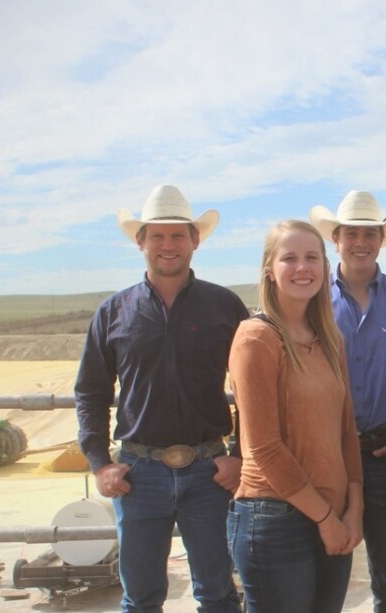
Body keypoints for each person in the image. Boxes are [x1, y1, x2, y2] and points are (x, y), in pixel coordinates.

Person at [74, 185, 247, 612]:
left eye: (178, 236)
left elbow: (254, 392)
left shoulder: (226, 307)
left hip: (210, 473)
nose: (168, 246)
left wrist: (241, 454)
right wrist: (100, 464)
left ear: (195, 241)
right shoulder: (113, 313)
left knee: (218, 595)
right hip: (137, 476)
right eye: (157, 236)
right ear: (140, 242)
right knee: (141, 599)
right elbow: (91, 393)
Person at [227, 220, 364, 612]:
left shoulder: (329, 339)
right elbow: (265, 448)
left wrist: (355, 509)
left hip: (333, 516)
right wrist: (325, 518)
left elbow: (346, 432)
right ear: (270, 268)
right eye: (290, 258)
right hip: (275, 518)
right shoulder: (256, 339)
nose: (303, 268)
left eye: (312, 257)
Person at [310, 191, 386, 613]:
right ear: (335, 238)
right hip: (325, 452)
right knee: (322, 561)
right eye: (351, 233)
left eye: (369, 234)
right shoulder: (311, 299)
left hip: (385, 451)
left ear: (381, 240)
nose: (361, 242)